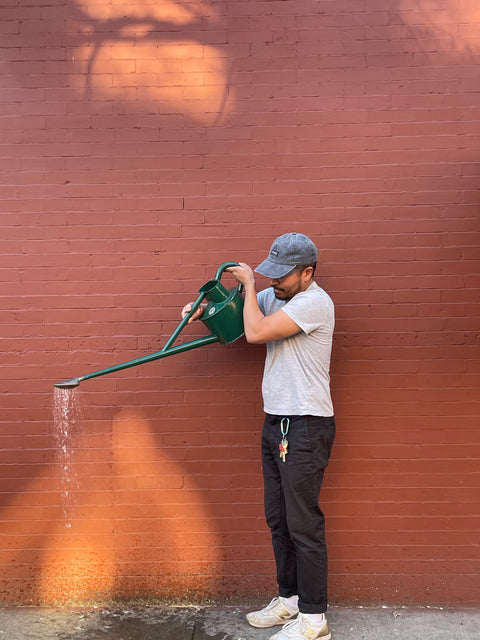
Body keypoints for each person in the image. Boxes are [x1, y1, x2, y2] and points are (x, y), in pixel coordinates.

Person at [182, 233, 336, 640]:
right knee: (279, 520)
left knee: (304, 524)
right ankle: (290, 600)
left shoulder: (313, 303)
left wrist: (249, 284)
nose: (272, 283)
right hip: (277, 422)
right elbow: (236, 316)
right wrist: (205, 310)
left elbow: (254, 333)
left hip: (305, 424)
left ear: (308, 272)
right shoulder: (279, 297)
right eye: (268, 276)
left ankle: (314, 620)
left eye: (281, 277)